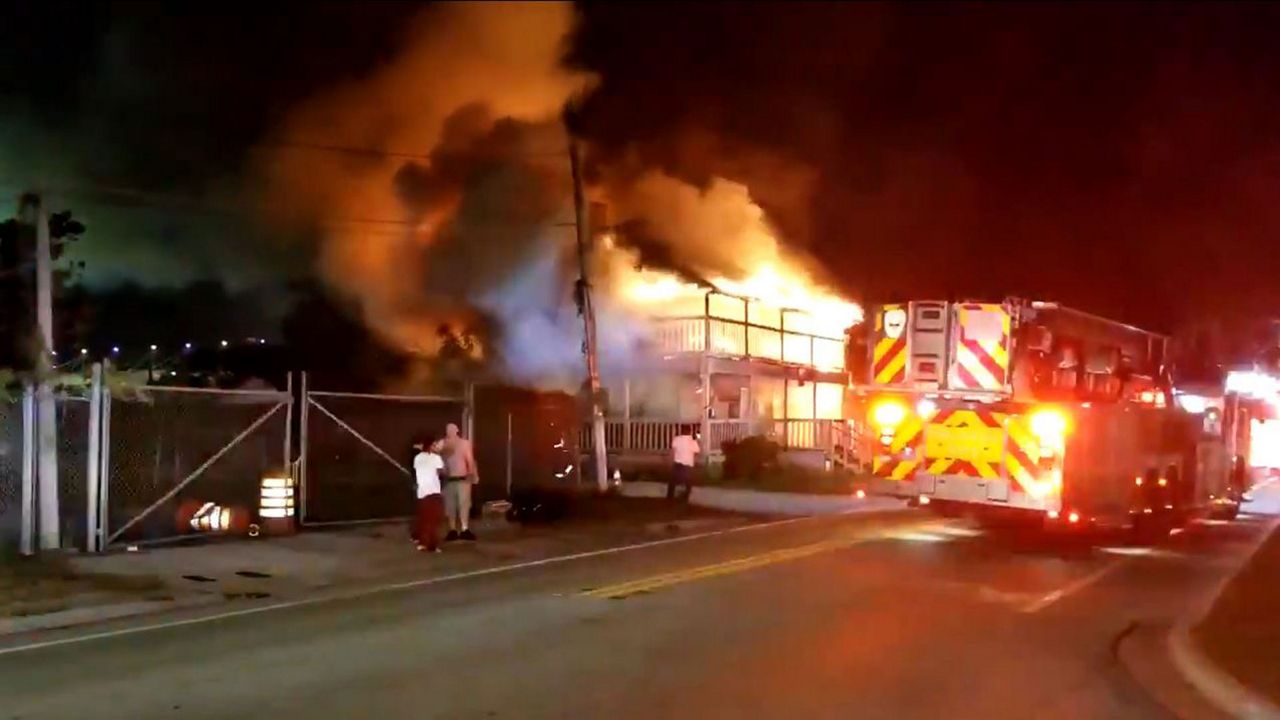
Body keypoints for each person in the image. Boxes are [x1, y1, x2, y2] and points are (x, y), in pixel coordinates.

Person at [441, 422, 478, 541]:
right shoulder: (444, 444)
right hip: (449, 479)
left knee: (463, 505)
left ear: (456, 431)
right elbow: (441, 462)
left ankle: (464, 528)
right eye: (448, 430)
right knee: (451, 506)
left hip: (462, 479)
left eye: (452, 430)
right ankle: (453, 529)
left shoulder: (463, 444)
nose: (450, 432)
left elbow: (470, 460)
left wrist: (472, 474)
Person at [412, 436, 446, 553]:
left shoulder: (417, 458)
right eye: (434, 445)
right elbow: (441, 472)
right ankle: (432, 545)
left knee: (425, 519)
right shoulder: (436, 458)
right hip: (434, 491)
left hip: (422, 492)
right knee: (434, 520)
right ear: (431, 446)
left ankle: (424, 543)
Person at [669, 425, 700, 501]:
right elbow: (697, 451)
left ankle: (670, 497)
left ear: (681, 431)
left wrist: (670, 461)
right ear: (690, 431)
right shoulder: (692, 441)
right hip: (688, 464)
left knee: (673, 481)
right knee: (688, 482)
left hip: (678, 463)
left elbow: (673, 450)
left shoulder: (676, 439)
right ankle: (686, 497)